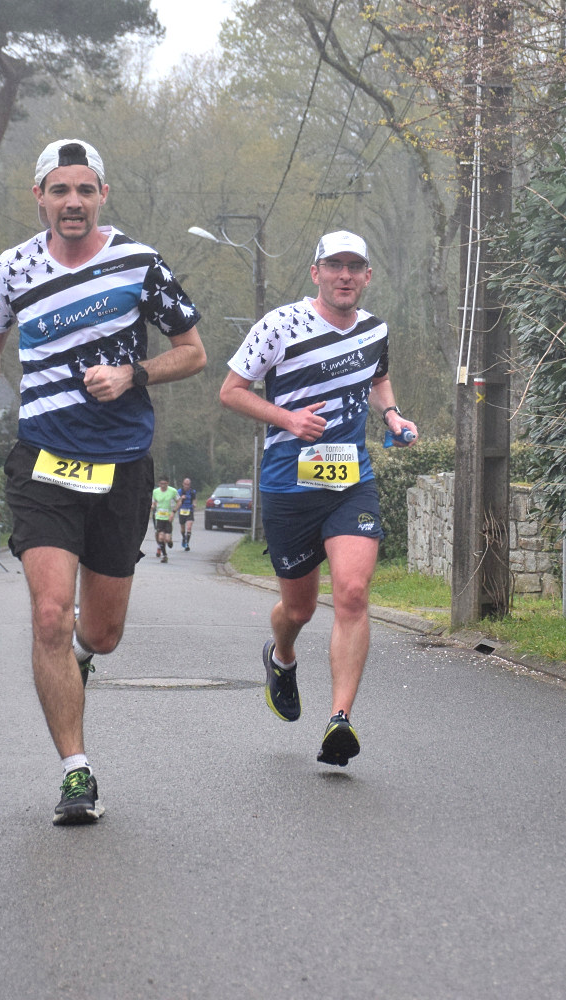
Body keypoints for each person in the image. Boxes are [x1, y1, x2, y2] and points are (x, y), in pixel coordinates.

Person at [0, 139, 206, 824]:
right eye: (60, 190)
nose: (73, 202)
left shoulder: (139, 264)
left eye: (85, 190)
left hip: (122, 463)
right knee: (49, 615)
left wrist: (133, 374)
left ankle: (84, 657)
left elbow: (193, 353)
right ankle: (76, 773)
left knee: (102, 631)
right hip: (43, 461)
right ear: (39, 196)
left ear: (102, 196)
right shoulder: (10, 270)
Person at [218, 230, 416, 767]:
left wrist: (392, 416)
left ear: (367, 276)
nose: (344, 276)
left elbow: (378, 377)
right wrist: (287, 419)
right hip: (289, 485)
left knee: (351, 593)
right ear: (317, 273)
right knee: (300, 608)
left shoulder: (375, 330)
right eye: (334, 266)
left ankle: (339, 719)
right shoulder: (279, 326)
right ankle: (281, 656)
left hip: (351, 483)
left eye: (354, 267)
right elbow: (230, 391)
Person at [151, 476, 178, 561]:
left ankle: (169, 541)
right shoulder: (155, 492)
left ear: (168, 483)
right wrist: (152, 506)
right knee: (160, 537)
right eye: (161, 484)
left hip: (168, 518)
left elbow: (179, 501)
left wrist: (173, 512)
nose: (163, 486)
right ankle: (164, 556)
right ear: (159, 484)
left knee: (167, 538)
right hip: (159, 517)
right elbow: (154, 502)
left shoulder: (173, 491)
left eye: (165, 484)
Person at [175, 477, 198, 550]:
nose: (186, 486)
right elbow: (176, 501)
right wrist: (181, 498)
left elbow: (194, 500)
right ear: (183, 484)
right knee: (182, 528)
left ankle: (187, 544)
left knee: (189, 527)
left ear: (190, 485)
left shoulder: (192, 492)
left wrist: (194, 504)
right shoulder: (179, 491)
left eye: (188, 484)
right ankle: (183, 538)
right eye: (185, 484)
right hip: (182, 511)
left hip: (189, 511)